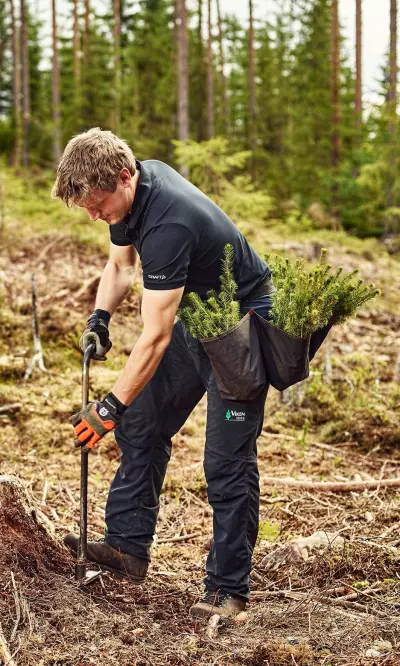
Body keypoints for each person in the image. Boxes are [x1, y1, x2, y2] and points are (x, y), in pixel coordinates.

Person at [52, 127, 274, 618]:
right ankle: (127, 548)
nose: (94, 215)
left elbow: (154, 335)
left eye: (98, 204)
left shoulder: (169, 222)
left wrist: (109, 406)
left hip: (240, 329)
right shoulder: (128, 197)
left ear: (124, 177)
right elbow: (119, 268)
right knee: (142, 423)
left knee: (226, 462)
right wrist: (99, 319)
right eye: (87, 207)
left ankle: (227, 590)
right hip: (198, 323)